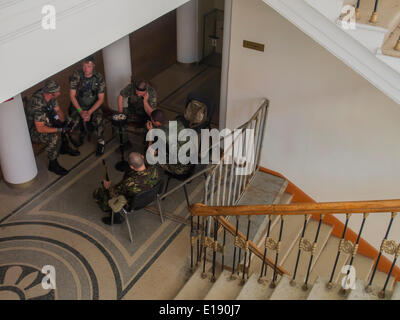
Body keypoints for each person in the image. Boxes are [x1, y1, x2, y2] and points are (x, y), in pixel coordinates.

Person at [27, 80, 80, 176]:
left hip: (47, 119)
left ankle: (64, 147)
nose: (59, 93)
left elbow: (58, 111)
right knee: (53, 138)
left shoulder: (50, 97)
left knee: (70, 121)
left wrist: (63, 124)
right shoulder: (38, 105)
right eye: (57, 92)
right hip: (34, 129)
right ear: (51, 94)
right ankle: (53, 164)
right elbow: (40, 128)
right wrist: (60, 129)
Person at [93, 152, 160, 225]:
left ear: (131, 167)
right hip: (151, 196)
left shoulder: (129, 183)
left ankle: (116, 218)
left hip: (133, 203)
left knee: (97, 193)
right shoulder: (154, 168)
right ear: (142, 157)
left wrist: (108, 187)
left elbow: (114, 193)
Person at [69, 55, 106, 156]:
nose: (86, 69)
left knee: (98, 119)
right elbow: (72, 96)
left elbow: (101, 99)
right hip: (79, 106)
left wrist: (89, 112)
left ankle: (101, 142)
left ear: (93, 66)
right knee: (71, 123)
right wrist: (81, 111)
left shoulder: (98, 78)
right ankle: (81, 134)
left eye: (89, 66)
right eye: (84, 66)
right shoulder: (77, 75)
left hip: (93, 106)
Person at [147, 109, 195, 176]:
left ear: (157, 122)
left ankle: (150, 176)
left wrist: (150, 133)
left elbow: (151, 150)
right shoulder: (178, 122)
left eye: (152, 121)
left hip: (182, 168)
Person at [117, 78, 157, 144]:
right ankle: (125, 142)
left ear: (146, 91)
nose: (138, 95)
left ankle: (147, 144)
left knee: (153, 124)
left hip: (145, 115)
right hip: (132, 111)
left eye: (141, 94)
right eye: (137, 93)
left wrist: (145, 102)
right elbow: (121, 96)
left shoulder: (152, 92)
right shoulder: (131, 87)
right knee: (117, 120)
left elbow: (152, 114)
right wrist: (120, 114)